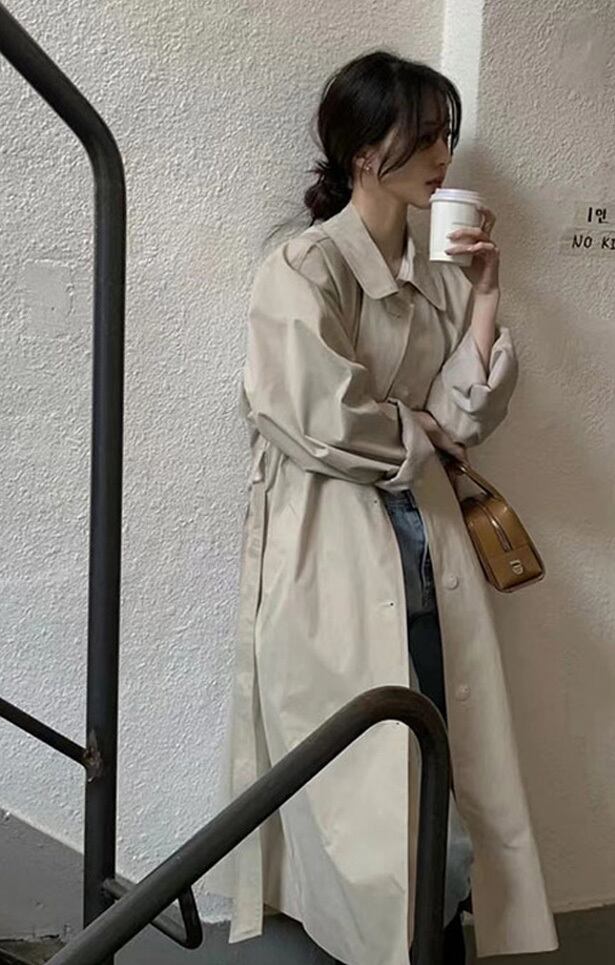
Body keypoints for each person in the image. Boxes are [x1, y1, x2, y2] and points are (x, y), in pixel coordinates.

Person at [206, 49, 559, 965]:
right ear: (365, 150)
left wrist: (486, 294)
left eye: (446, 135)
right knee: (356, 781)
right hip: (328, 549)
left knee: (444, 759)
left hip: (428, 552)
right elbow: (316, 415)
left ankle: (433, 938)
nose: (443, 154)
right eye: (425, 136)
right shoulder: (303, 266)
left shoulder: (437, 274)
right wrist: (420, 430)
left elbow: (463, 417)